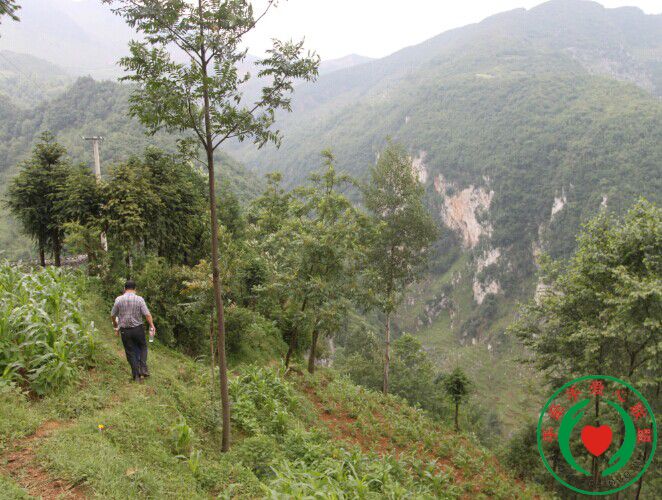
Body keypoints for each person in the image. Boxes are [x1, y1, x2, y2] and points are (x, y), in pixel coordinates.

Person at [111, 279, 156, 382]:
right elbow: (147, 314)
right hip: (138, 329)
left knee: (130, 353)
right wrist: (152, 325)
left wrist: (115, 325)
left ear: (124, 289)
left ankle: (136, 376)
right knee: (143, 347)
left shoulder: (118, 299)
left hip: (125, 331)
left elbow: (113, 315)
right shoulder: (139, 299)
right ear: (135, 289)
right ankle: (143, 368)